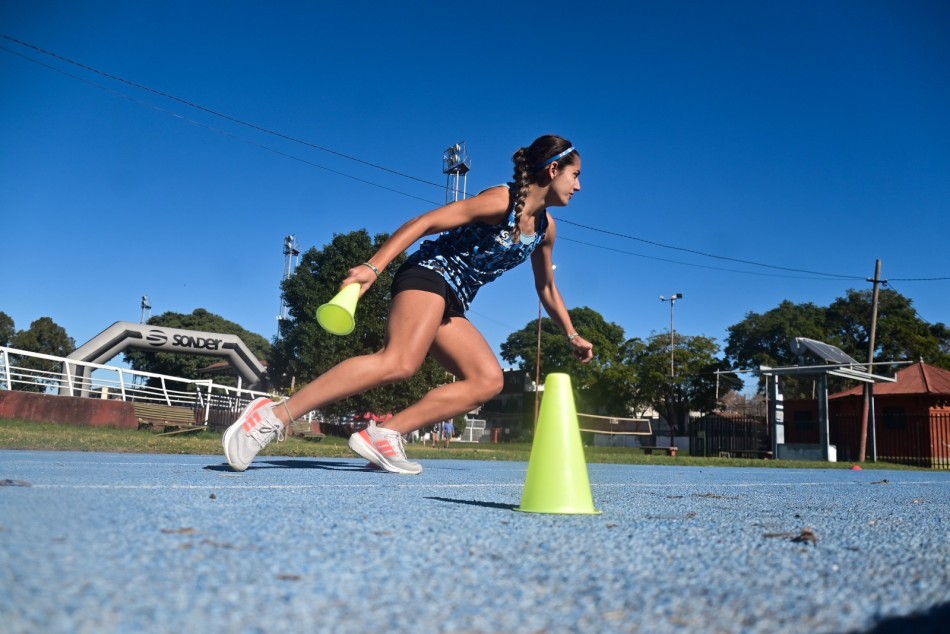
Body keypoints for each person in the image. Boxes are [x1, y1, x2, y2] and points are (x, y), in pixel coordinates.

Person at [223, 134, 594, 475]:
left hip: (452, 300)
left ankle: (385, 435)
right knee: (399, 362)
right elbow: (426, 222)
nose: (578, 186)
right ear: (553, 169)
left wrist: (572, 333)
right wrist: (373, 267)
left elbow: (547, 287)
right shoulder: (501, 200)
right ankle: (272, 416)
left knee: (487, 381)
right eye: (575, 175)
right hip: (428, 275)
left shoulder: (546, 229)